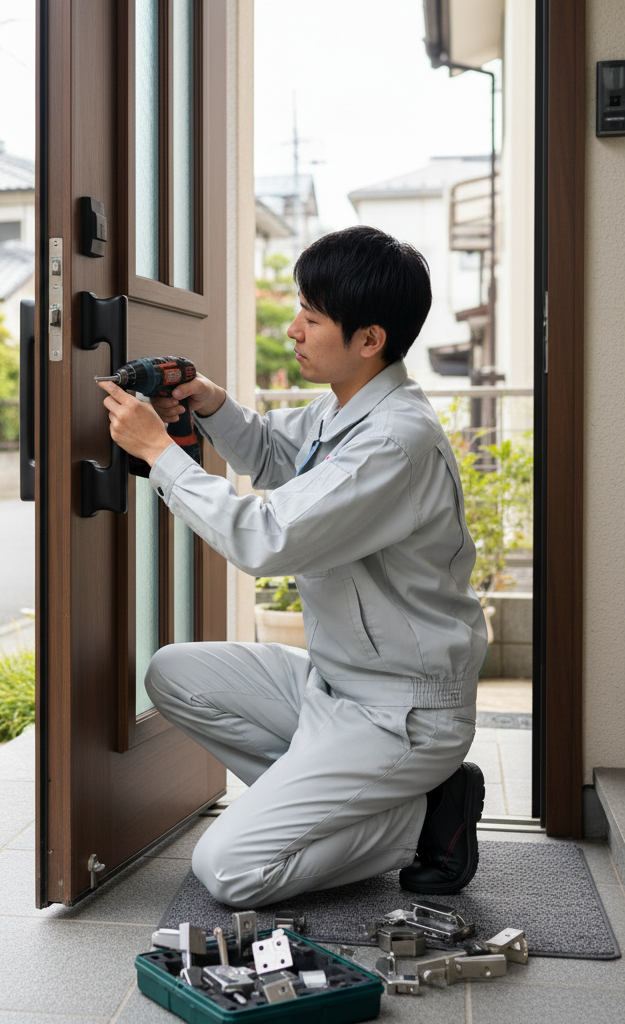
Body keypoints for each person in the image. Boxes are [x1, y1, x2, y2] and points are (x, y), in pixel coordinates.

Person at [97, 225, 486, 907]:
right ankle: (352, 800)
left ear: (369, 339)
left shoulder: (395, 439)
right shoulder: (348, 408)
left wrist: (161, 453)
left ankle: (425, 817)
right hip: (336, 685)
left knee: (229, 870)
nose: (293, 329)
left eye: (312, 316)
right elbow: (279, 456)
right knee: (173, 675)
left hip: (401, 711)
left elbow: (268, 538)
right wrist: (210, 403)